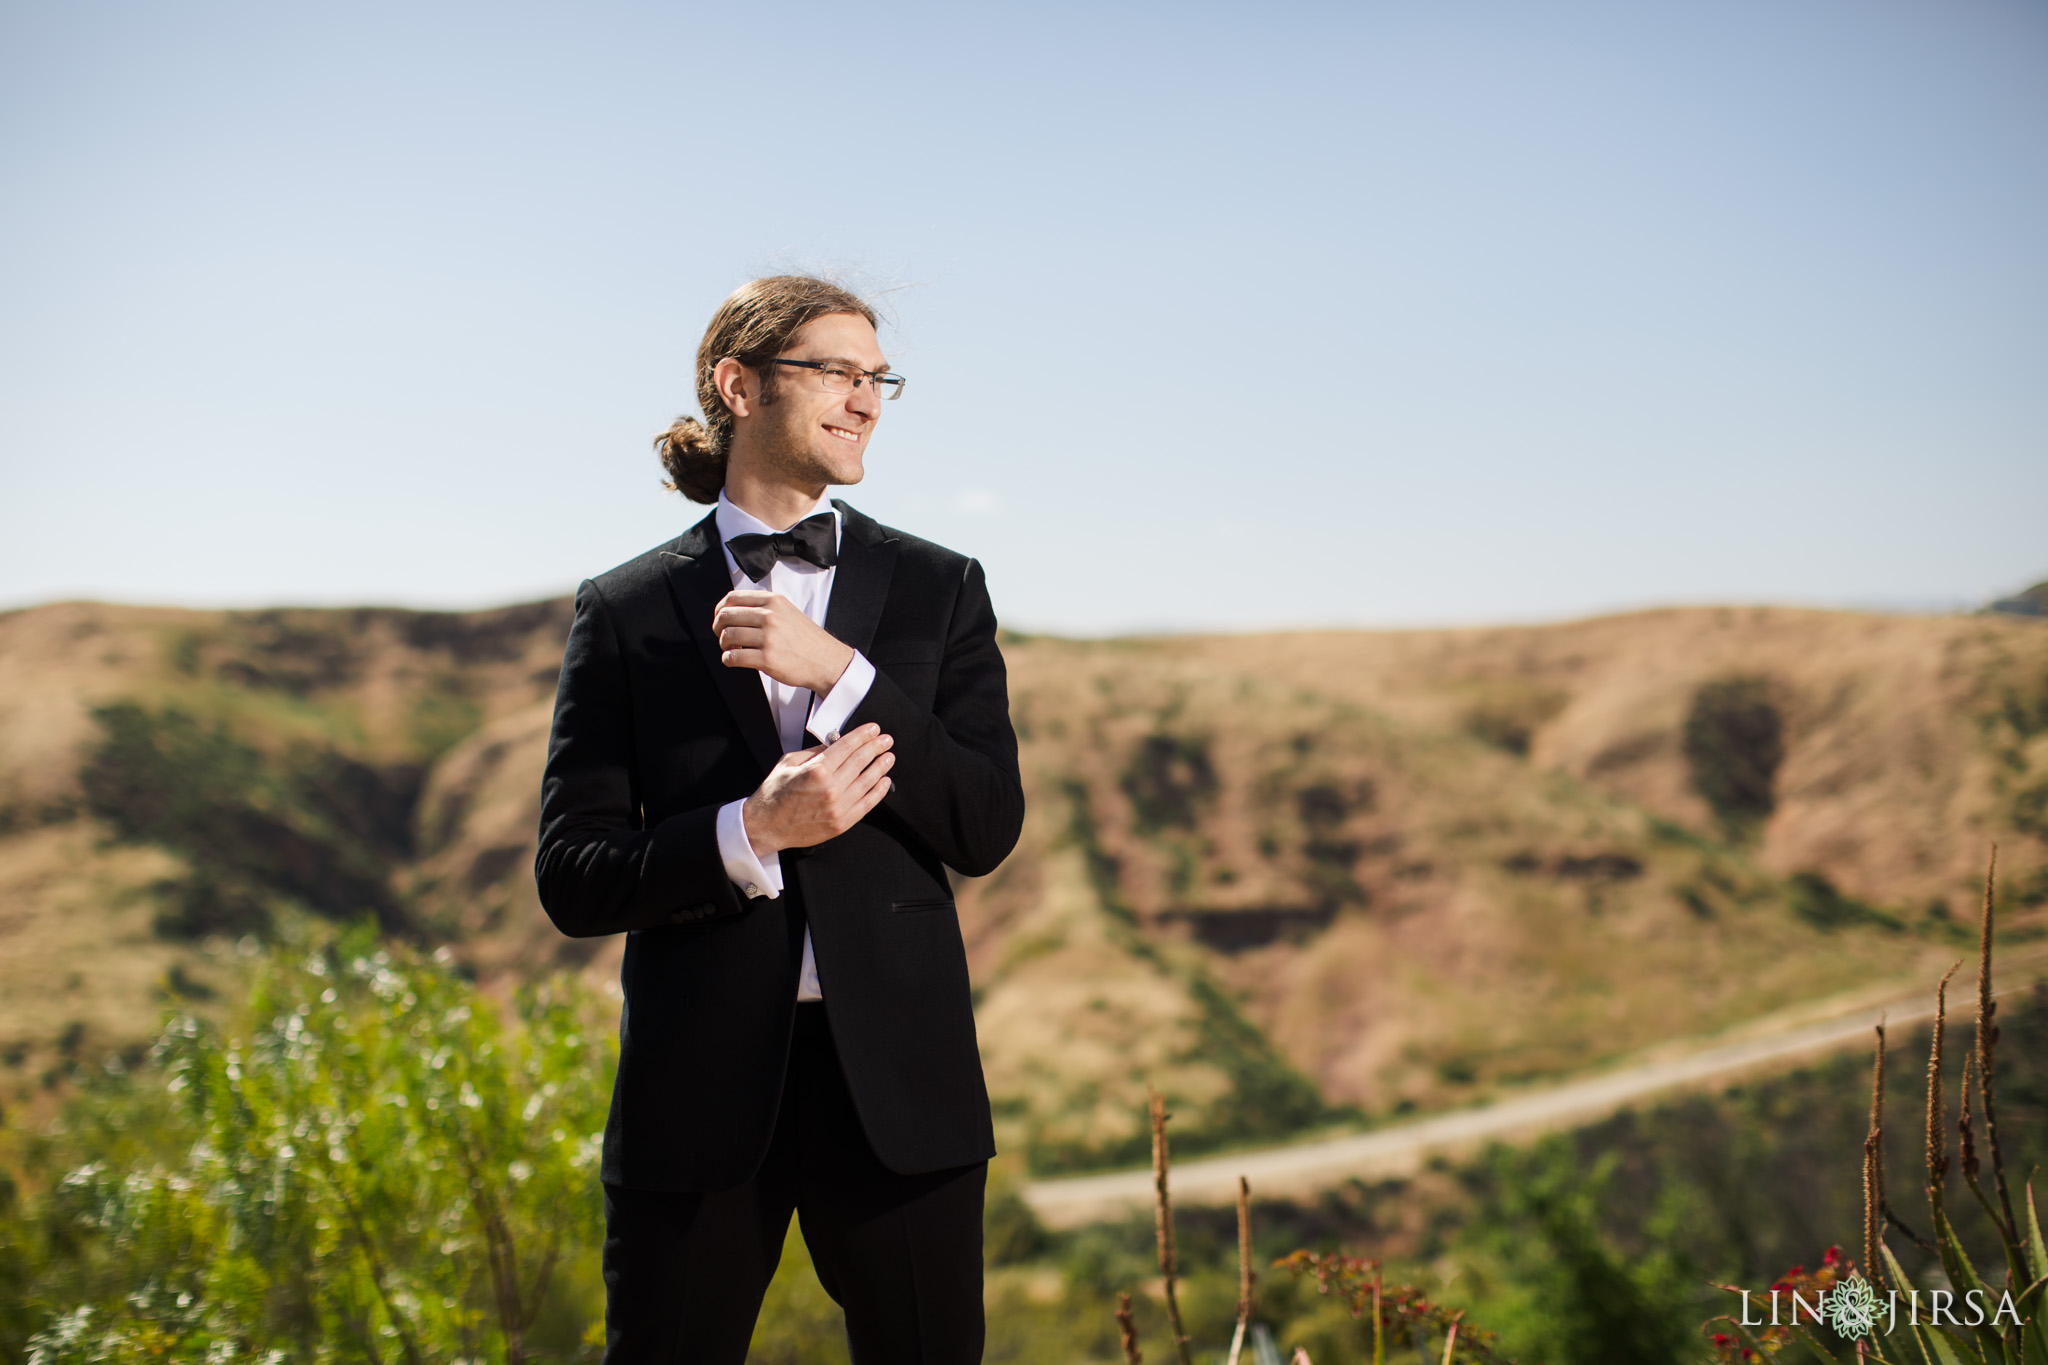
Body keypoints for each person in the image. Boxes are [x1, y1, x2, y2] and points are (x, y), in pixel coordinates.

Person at [536, 274, 1024, 1363]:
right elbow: (573, 874)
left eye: (877, 378)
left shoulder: (938, 588)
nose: (866, 401)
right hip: (696, 1094)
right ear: (737, 384)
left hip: (903, 1096)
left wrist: (843, 674)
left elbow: (985, 824)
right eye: (837, 373)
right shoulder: (621, 610)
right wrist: (746, 832)